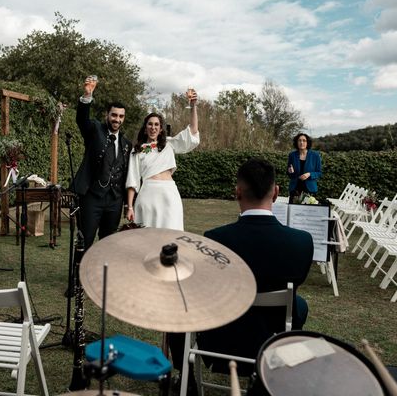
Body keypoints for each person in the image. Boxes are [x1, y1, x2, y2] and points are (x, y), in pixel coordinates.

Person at [196, 158, 314, 375]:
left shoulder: (215, 240)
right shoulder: (302, 241)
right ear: (276, 192)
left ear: (237, 192)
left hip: (223, 341)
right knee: (299, 304)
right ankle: (278, 357)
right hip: (272, 332)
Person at [125, 90, 199, 230]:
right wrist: (130, 207)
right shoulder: (137, 150)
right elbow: (132, 180)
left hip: (169, 194)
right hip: (147, 195)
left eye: (156, 125)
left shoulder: (169, 144)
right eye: (150, 124)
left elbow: (193, 133)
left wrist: (193, 106)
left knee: (171, 233)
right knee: (147, 236)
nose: (153, 127)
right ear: (145, 128)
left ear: (160, 129)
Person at [74, 76, 132, 249]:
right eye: (114, 115)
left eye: (121, 116)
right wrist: (87, 96)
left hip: (115, 200)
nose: (117, 119)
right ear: (107, 115)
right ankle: (79, 275)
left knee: (108, 243)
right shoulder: (95, 130)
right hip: (92, 197)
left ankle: (101, 275)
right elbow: (82, 120)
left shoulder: (126, 144)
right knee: (86, 240)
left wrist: (128, 204)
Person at [287, 132, 322, 203]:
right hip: (295, 188)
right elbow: (289, 173)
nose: (301, 142)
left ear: (307, 143)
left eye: (304, 140)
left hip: (310, 189)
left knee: (308, 212)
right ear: (296, 142)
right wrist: (290, 171)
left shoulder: (315, 155)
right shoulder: (292, 155)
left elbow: (319, 173)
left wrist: (309, 174)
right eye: (299, 140)